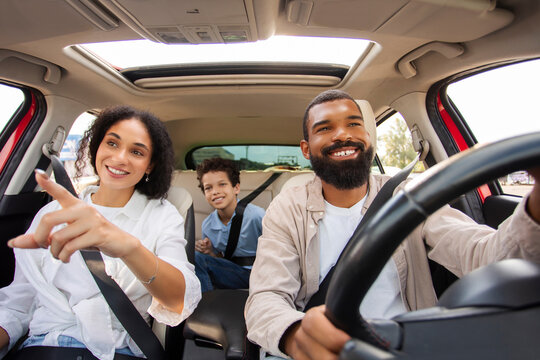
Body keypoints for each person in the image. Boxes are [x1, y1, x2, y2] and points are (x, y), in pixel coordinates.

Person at [244, 89, 540, 359]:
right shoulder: (288, 206)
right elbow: (266, 297)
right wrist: (298, 338)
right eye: (325, 128)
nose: (343, 135)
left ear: (368, 138)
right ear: (306, 149)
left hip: (401, 346)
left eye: (354, 124)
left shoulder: (409, 195)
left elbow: (487, 257)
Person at [0, 105, 202, 360]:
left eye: (137, 151)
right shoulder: (53, 213)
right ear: (97, 147)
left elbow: (179, 300)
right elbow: (18, 303)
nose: (120, 158)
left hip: (117, 351)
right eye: (112, 144)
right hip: (42, 345)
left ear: (150, 165)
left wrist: (129, 247)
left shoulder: (161, 215)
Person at [194, 157, 265, 292]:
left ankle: (205, 304)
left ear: (236, 188)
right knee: (195, 257)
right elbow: (221, 261)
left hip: (260, 274)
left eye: (222, 184)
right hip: (233, 273)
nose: (215, 191)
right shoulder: (208, 225)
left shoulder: (256, 216)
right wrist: (209, 252)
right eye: (208, 188)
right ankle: (206, 304)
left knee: (198, 259)